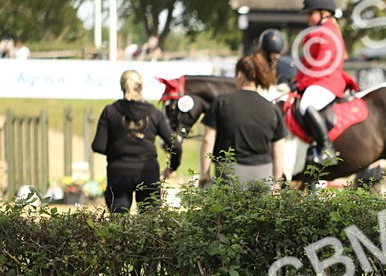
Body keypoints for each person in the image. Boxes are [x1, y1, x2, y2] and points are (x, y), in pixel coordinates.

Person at [91, 70, 182, 214]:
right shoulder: (154, 113)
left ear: (122, 86)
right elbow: (175, 145)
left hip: (119, 172)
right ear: (141, 87)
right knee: (149, 222)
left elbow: (98, 145)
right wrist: (172, 167)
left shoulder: (110, 111)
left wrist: (118, 151)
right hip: (147, 172)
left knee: (119, 222)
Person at [199, 54, 288, 188]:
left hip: (229, 173)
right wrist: (276, 184)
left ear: (239, 75)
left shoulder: (221, 103)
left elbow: (207, 140)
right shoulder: (272, 109)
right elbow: (278, 151)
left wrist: (204, 174)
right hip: (263, 174)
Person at [294, 0, 358, 168]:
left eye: (310, 13)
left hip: (328, 80)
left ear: (323, 13)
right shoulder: (321, 31)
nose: (308, 18)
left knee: (306, 105)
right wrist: (295, 80)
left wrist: (301, 84)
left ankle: (326, 148)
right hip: (319, 79)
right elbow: (307, 62)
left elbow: (320, 66)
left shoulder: (327, 33)